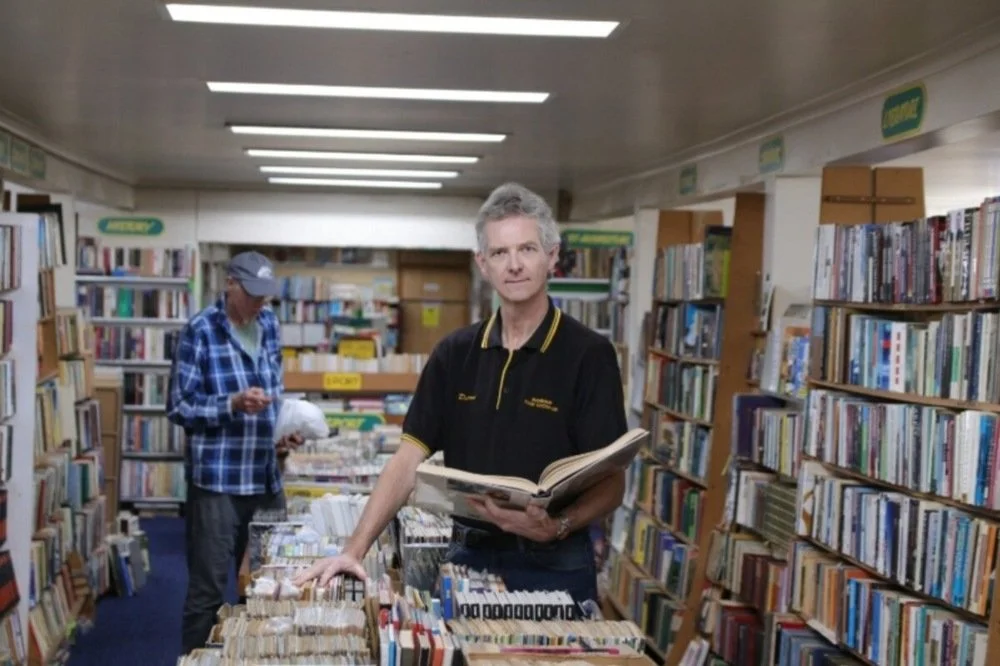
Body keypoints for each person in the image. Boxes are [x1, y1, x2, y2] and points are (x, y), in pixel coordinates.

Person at [295, 183, 628, 604]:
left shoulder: (589, 355)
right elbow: (407, 461)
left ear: (551, 257)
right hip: (469, 558)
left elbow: (613, 484)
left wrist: (558, 526)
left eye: (526, 249)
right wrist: (353, 549)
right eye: (499, 253)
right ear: (482, 264)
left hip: (556, 559)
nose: (514, 265)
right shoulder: (454, 354)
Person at [167, 250, 303, 654]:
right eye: (253, 293)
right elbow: (179, 406)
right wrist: (231, 403)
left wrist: (283, 432)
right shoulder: (200, 330)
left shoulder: (270, 325)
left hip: (265, 477)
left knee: (268, 586)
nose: (261, 302)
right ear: (229, 284)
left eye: (267, 295)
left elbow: (273, 394)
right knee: (208, 592)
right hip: (218, 483)